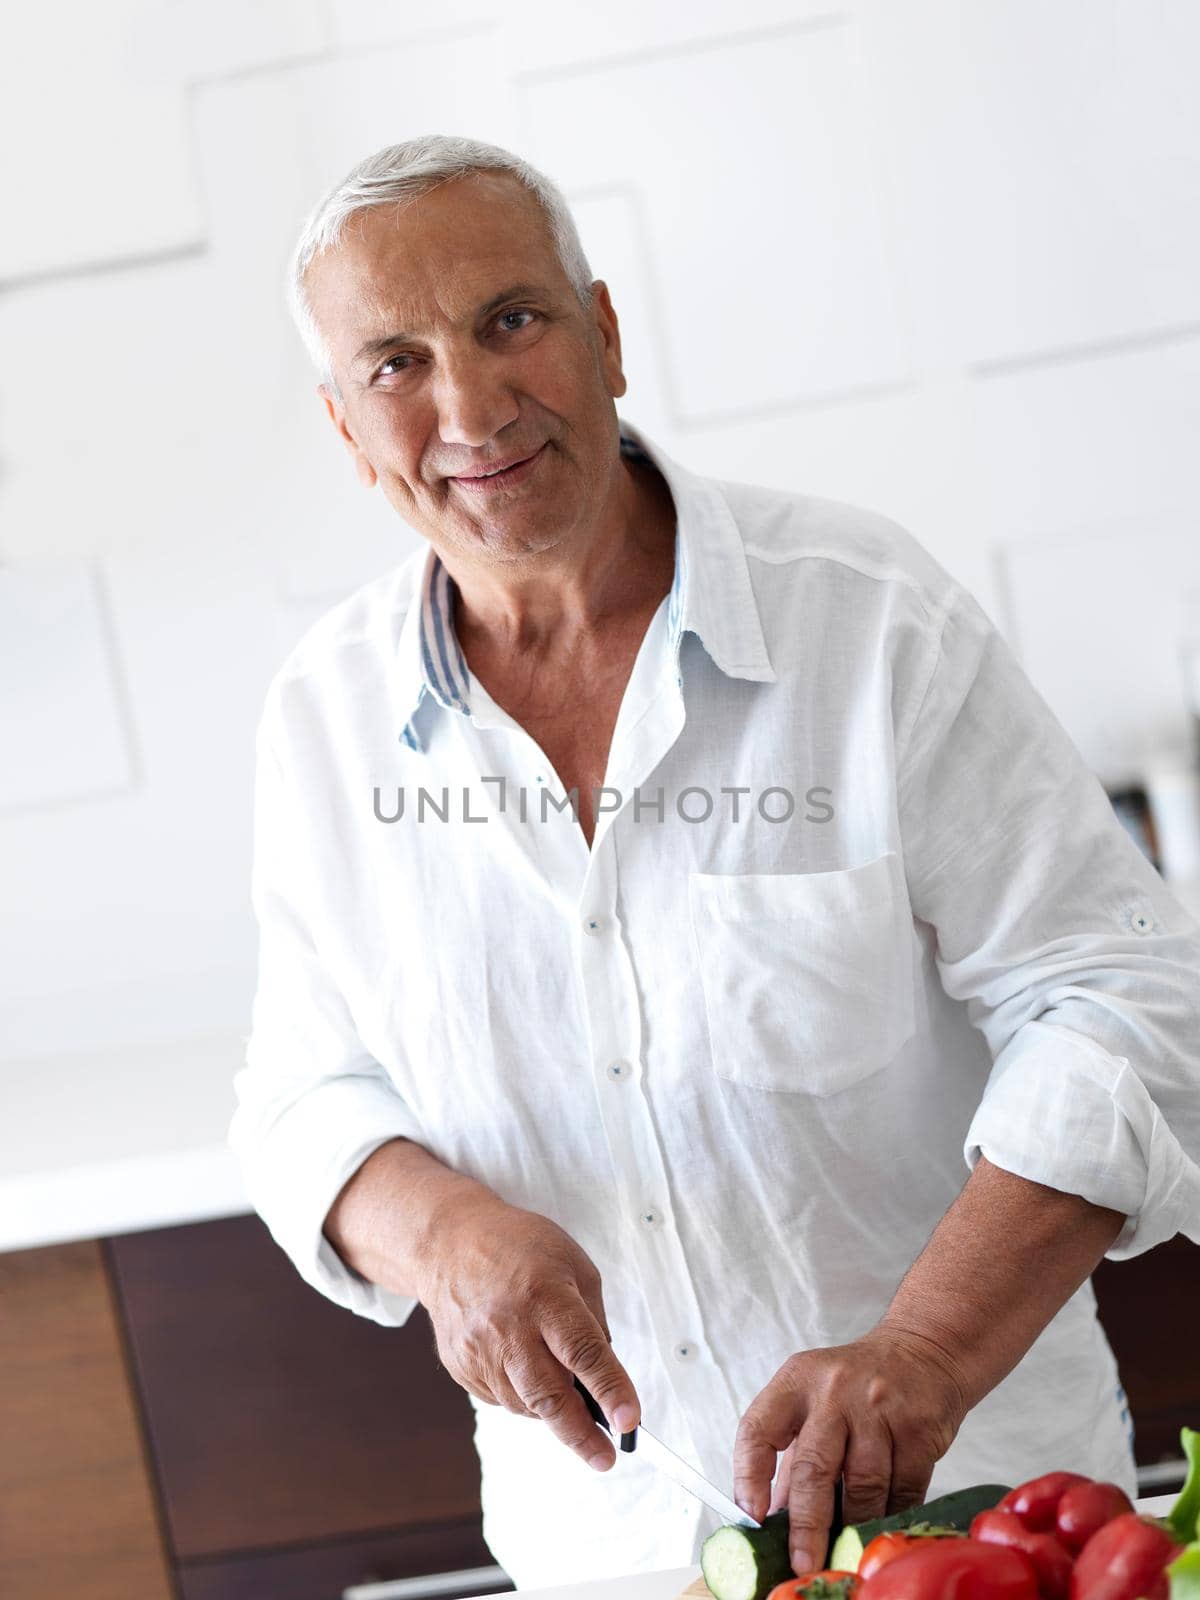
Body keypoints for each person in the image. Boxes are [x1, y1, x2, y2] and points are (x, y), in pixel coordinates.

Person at [228, 133, 1200, 1588]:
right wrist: (442, 1236)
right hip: (604, 1550)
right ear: (346, 430)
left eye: (511, 321)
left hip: (974, 1526)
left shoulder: (867, 623)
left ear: (606, 333)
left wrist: (927, 1346)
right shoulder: (325, 720)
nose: (471, 406)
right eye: (396, 365)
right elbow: (300, 1093)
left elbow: (1122, 1000)